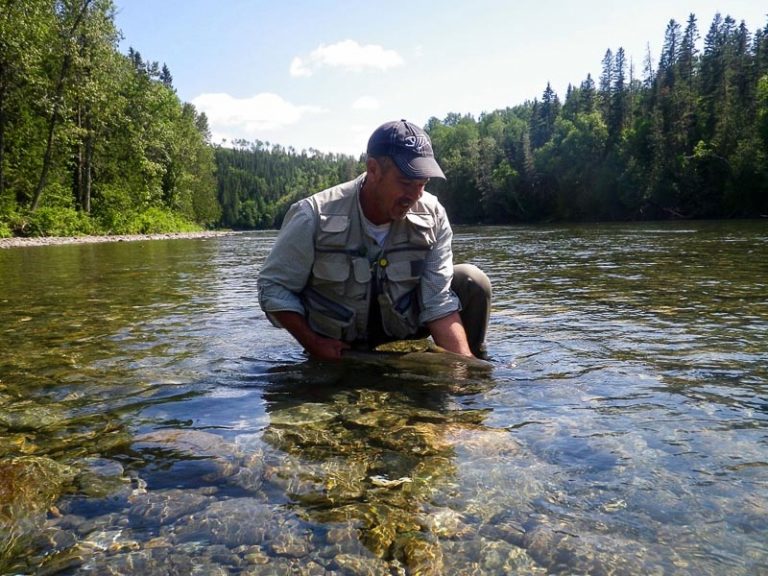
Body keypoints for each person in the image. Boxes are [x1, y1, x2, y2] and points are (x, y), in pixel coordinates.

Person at [258, 119, 491, 361]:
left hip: (403, 333)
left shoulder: (433, 214)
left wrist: (465, 369)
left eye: (422, 184)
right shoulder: (313, 215)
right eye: (406, 183)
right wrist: (313, 342)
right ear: (373, 170)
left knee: (472, 280)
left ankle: (473, 359)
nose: (414, 196)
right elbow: (274, 288)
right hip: (337, 345)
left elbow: (438, 300)